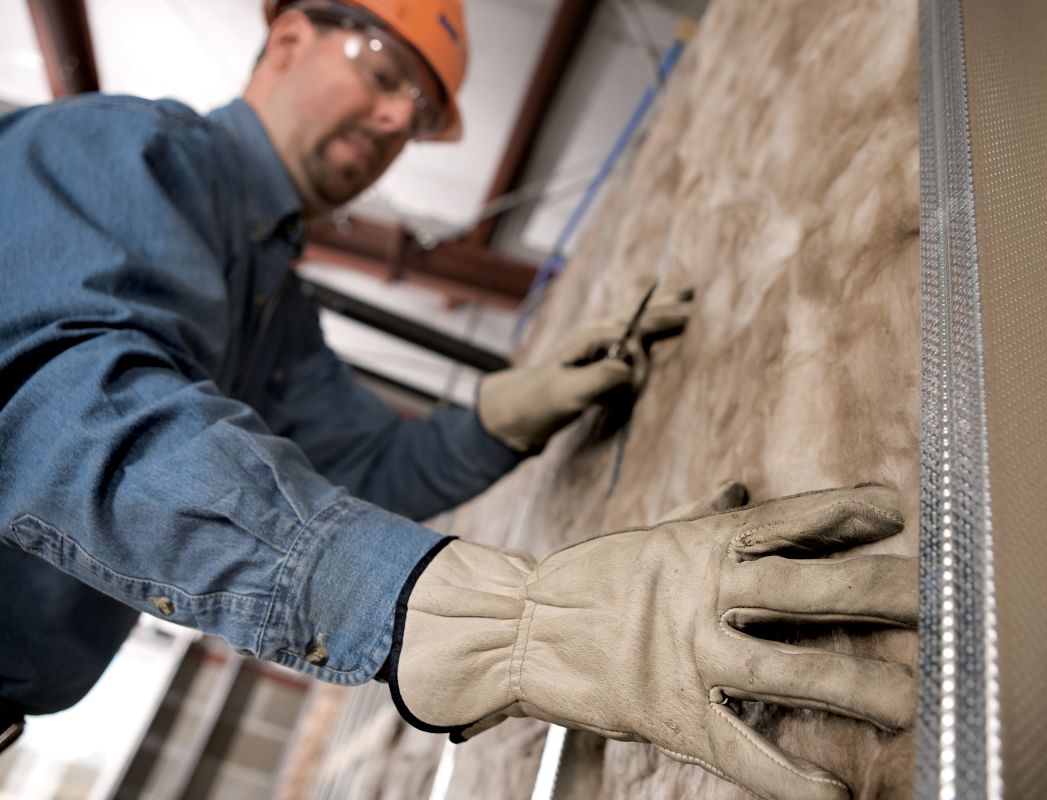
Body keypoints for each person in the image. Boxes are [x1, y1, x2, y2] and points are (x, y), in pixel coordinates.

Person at [0, 2, 917, 797]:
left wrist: (510, 410)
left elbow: (366, 467)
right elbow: (57, 409)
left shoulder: (274, 306)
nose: (398, 116)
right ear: (287, 37)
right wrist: (476, 619)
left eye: (421, 112)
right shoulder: (124, 147)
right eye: (384, 69)